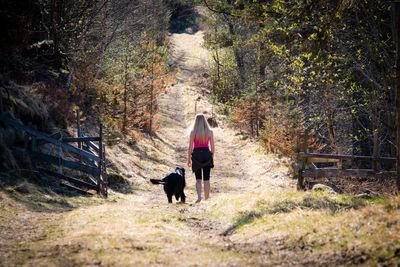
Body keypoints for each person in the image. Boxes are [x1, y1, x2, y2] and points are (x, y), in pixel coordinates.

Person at [188, 114, 215, 203]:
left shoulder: (193, 133)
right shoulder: (210, 132)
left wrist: (189, 159)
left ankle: (199, 196)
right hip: (207, 154)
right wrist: (212, 156)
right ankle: (206, 198)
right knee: (206, 179)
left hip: (196, 156)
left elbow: (190, 148)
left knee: (198, 179)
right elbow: (213, 148)